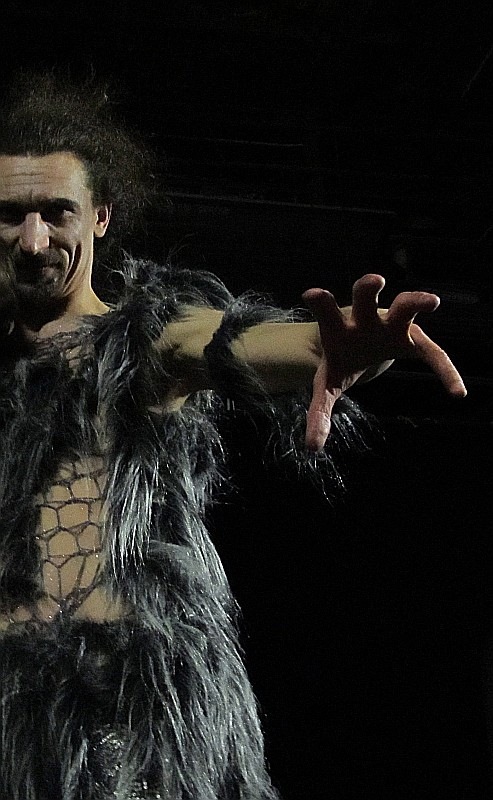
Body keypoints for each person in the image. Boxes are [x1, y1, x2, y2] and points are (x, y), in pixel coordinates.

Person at [0, 72, 465, 800]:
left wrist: (335, 347)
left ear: (100, 218)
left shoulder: (145, 339)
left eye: (57, 213)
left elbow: (234, 341)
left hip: (131, 724)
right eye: (10, 216)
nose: (33, 243)